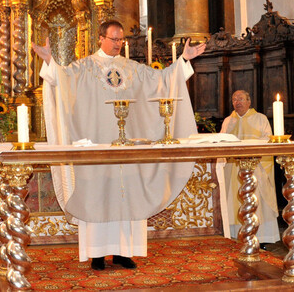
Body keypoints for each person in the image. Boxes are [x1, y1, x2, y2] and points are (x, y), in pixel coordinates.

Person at [33, 20, 206, 270]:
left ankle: (126, 252)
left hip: (128, 148)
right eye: (114, 39)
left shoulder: (133, 69)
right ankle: (97, 254)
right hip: (97, 145)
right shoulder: (84, 68)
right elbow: (61, 79)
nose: (118, 44)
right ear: (100, 38)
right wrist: (50, 61)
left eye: (121, 39)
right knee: (98, 195)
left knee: (129, 194)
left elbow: (162, 80)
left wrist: (183, 61)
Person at [220, 91, 280, 246]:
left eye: (241, 99)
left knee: (257, 202)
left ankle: (261, 238)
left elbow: (268, 139)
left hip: (256, 168)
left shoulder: (260, 118)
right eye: (234, 99)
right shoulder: (228, 121)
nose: (237, 102)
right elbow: (220, 142)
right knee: (233, 201)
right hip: (232, 169)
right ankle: (235, 236)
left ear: (249, 101)